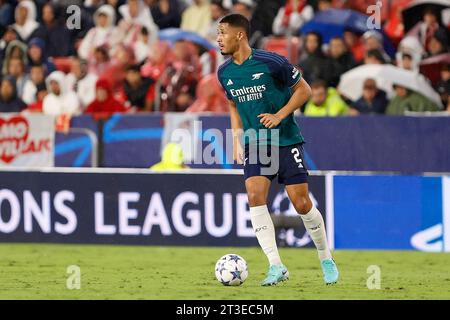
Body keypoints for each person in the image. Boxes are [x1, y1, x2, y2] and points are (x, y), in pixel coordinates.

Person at [216, 14, 339, 286]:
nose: (218, 38)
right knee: (254, 195)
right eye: (218, 32)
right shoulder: (224, 72)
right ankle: (276, 265)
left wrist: (280, 115)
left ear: (240, 35)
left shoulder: (272, 62)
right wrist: (237, 140)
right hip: (256, 143)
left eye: (223, 32)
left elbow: (304, 91)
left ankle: (326, 258)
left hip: (285, 140)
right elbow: (233, 105)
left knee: (301, 202)